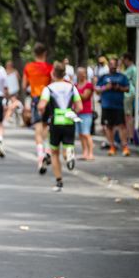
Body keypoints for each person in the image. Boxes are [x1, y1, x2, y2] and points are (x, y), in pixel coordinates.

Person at [38, 62, 82, 192]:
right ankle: (69, 155)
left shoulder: (49, 88)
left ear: (53, 73)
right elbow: (79, 107)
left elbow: (41, 106)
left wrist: (42, 111)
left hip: (55, 121)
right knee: (67, 146)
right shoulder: (72, 87)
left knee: (54, 153)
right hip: (69, 120)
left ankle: (59, 182)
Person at [22, 43, 53, 173]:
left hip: (35, 99)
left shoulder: (28, 67)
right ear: (45, 53)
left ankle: (40, 156)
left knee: (38, 128)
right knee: (46, 126)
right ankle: (47, 150)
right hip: (47, 99)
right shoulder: (49, 68)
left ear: (34, 53)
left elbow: (24, 86)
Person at [96, 58, 130, 156]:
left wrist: (118, 88)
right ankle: (112, 147)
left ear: (117, 65)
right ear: (109, 65)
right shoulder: (104, 77)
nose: (112, 66)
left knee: (121, 126)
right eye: (111, 64)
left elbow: (127, 89)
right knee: (108, 126)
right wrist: (105, 87)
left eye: (114, 64)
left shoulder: (122, 77)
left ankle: (125, 147)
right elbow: (97, 89)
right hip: (106, 105)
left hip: (118, 106)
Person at [75, 67, 95, 160]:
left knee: (86, 133)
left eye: (82, 73)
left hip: (86, 112)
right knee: (80, 134)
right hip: (77, 112)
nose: (81, 75)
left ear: (85, 74)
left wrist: (74, 92)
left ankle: (91, 153)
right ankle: (85, 153)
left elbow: (84, 96)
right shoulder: (75, 85)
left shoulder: (89, 85)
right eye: (79, 73)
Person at [122, 52, 138, 144]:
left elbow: (135, 82)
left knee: (128, 116)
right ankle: (128, 135)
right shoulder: (129, 69)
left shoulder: (133, 69)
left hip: (129, 93)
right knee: (126, 116)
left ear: (127, 59)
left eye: (124, 60)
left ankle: (130, 136)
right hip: (126, 93)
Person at [3, 60, 23, 125]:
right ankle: (9, 117)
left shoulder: (15, 71)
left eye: (10, 65)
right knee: (7, 104)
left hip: (14, 90)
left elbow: (18, 79)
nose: (9, 66)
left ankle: (7, 117)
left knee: (13, 103)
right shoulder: (4, 72)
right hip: (6, 91)